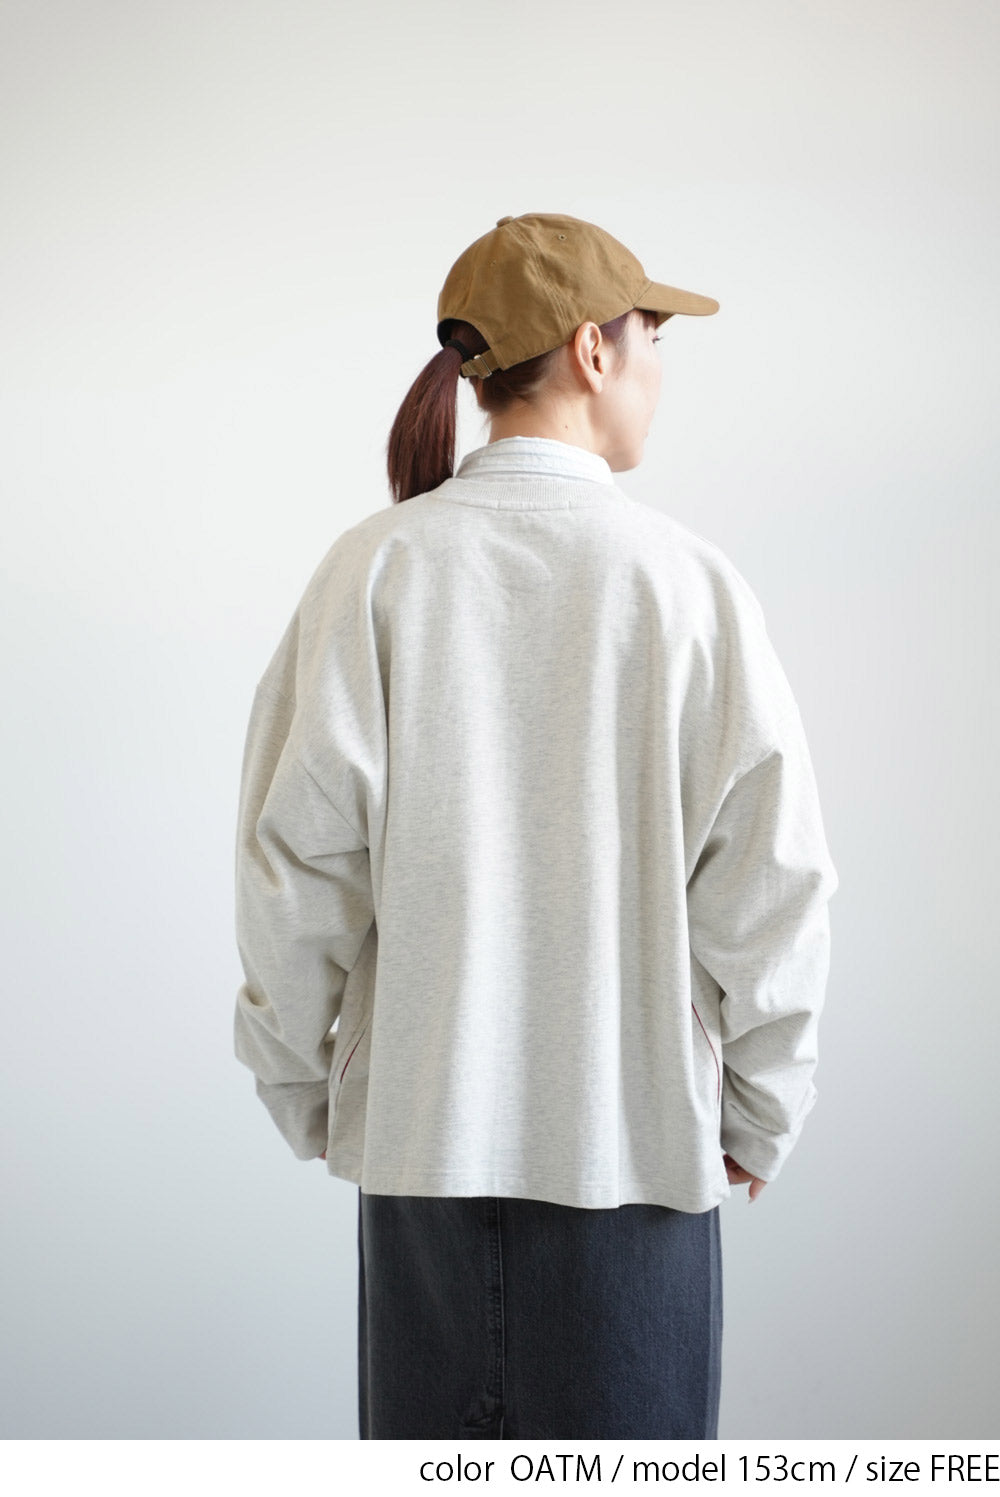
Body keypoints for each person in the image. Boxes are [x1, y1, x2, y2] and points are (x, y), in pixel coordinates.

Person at [232, 212, 839, 1440]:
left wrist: (305, 1087)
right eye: (652, 336)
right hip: (638, 1154)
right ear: (591, 350)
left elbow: (292, 869)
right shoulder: (684, 585)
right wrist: (761, 1109)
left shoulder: (375, 570)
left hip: (423, 1150)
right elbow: (770, 885)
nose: (659, 369)